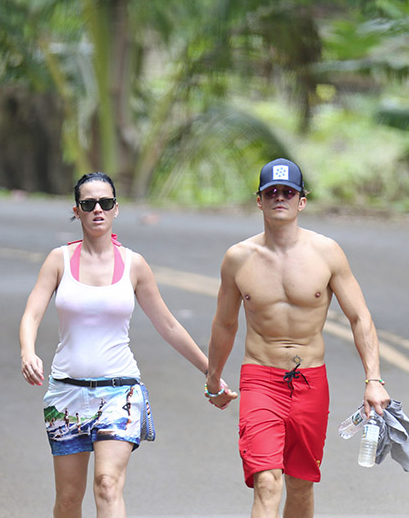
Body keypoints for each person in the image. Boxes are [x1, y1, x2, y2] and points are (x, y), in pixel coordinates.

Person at [19, 172, 227, 518]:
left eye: (105, 202)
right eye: (89, 204)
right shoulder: (59, 260)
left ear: (116, 208)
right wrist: (28, 352)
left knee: (107, 484)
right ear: (77, 211)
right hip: (67, 394)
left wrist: (211, 372)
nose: (97, 210)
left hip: (119, 392)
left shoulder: (134, 265)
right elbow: (32, 314)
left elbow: (168, 325)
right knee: (68, 499)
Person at [205, 158, 390, 518]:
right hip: (260, 378)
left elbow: (359, 317)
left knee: (301, 484)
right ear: (259, 200)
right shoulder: (238, 259)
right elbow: (225, 324)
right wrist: (213, 378)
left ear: (301, 201)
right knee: (267, 481)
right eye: (271, 192)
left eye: (288, 192)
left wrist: (374, 380)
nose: (280, 197)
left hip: (310, 381)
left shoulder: (327, 253)